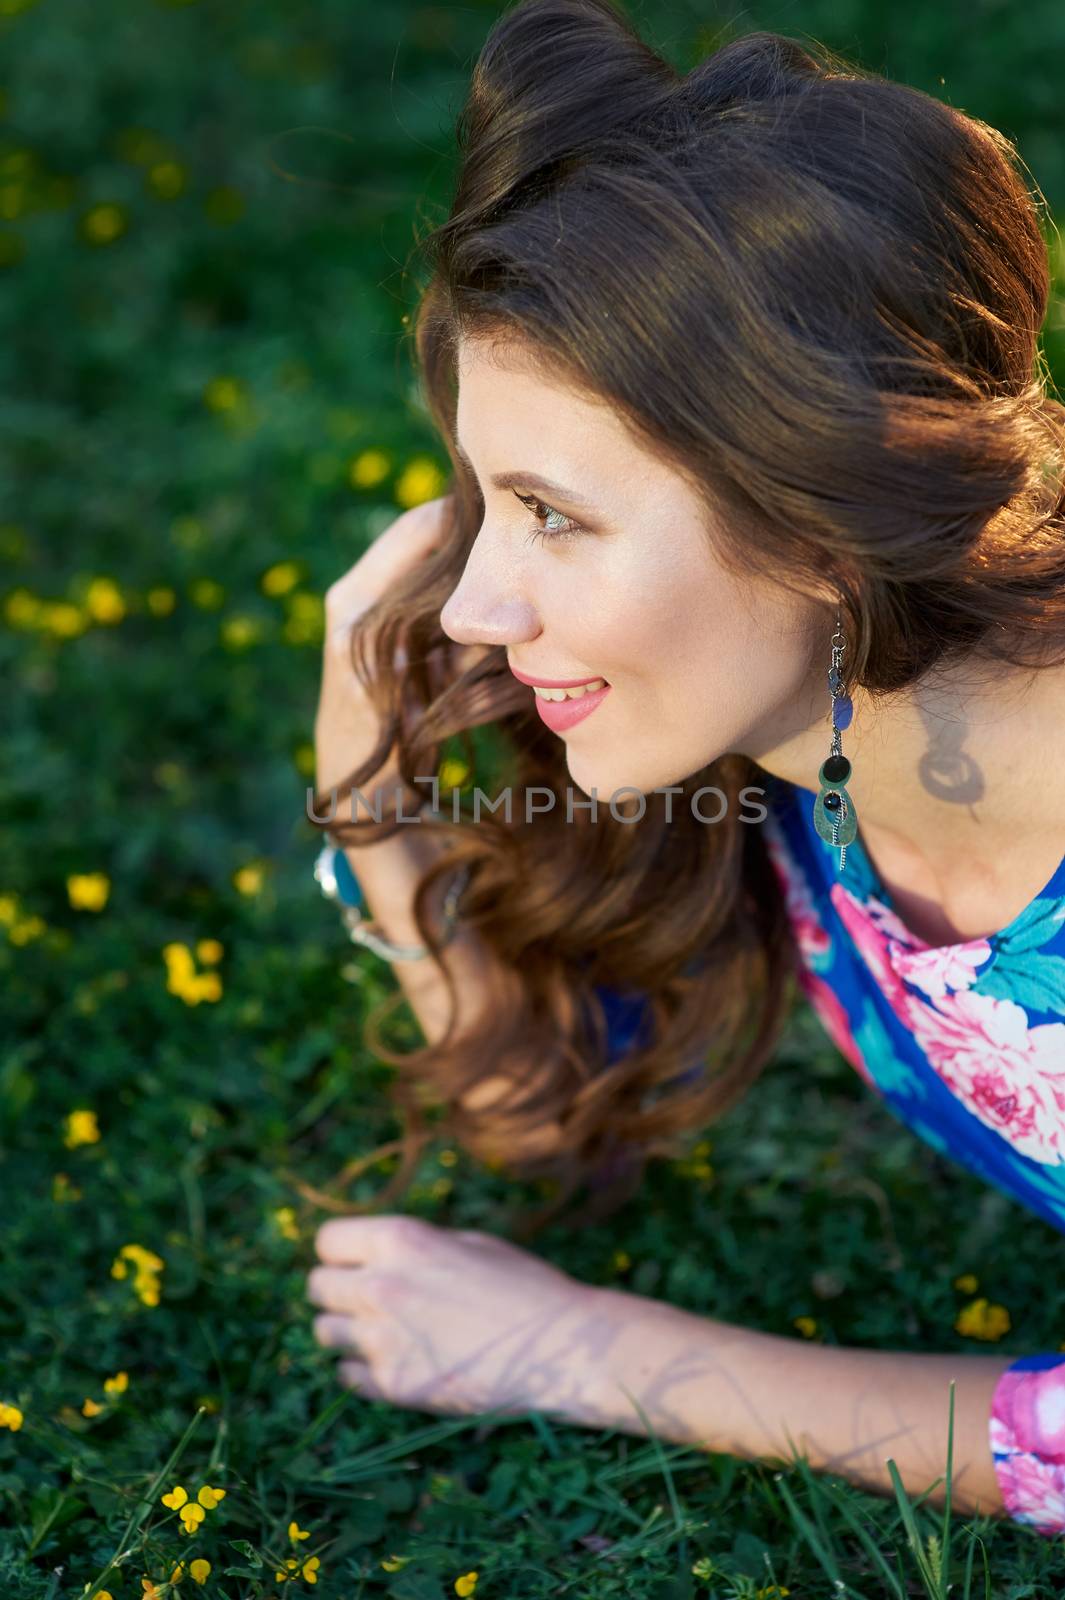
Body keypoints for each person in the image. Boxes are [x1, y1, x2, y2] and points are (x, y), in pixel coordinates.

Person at [304, 0, 1065, 1537]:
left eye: (554, 512)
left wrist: (587, 1347)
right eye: (482, 500)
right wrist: (357, 730)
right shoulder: (784, 749)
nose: (469, 605)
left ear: (818, 521)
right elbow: (536, 1096)